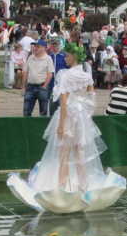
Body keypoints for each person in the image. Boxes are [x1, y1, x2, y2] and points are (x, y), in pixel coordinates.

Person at [32, 43, 104, 191]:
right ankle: (82, 186)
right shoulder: (86, 76)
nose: (65, 59)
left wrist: (60, 125)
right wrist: (87, 114)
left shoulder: (66, 76)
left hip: (68, 117)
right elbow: (92, 98)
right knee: (80, 154)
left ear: (74, 57)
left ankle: (62, 185)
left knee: (63, 154)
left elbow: (63, 102)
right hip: (81, 117)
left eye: (68, 56)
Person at [21, 40, 54, 116]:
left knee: (43, 111)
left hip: (41, 86)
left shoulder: (48, 59)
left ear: (43, 48)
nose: (36, 48)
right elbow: (25, 72)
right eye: (35, 46)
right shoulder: (30, 58)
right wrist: (23, 87)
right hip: (30, 87)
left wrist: (44, 86)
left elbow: (50, 74)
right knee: (26, 111)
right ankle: (26, 126)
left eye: (38, 47)